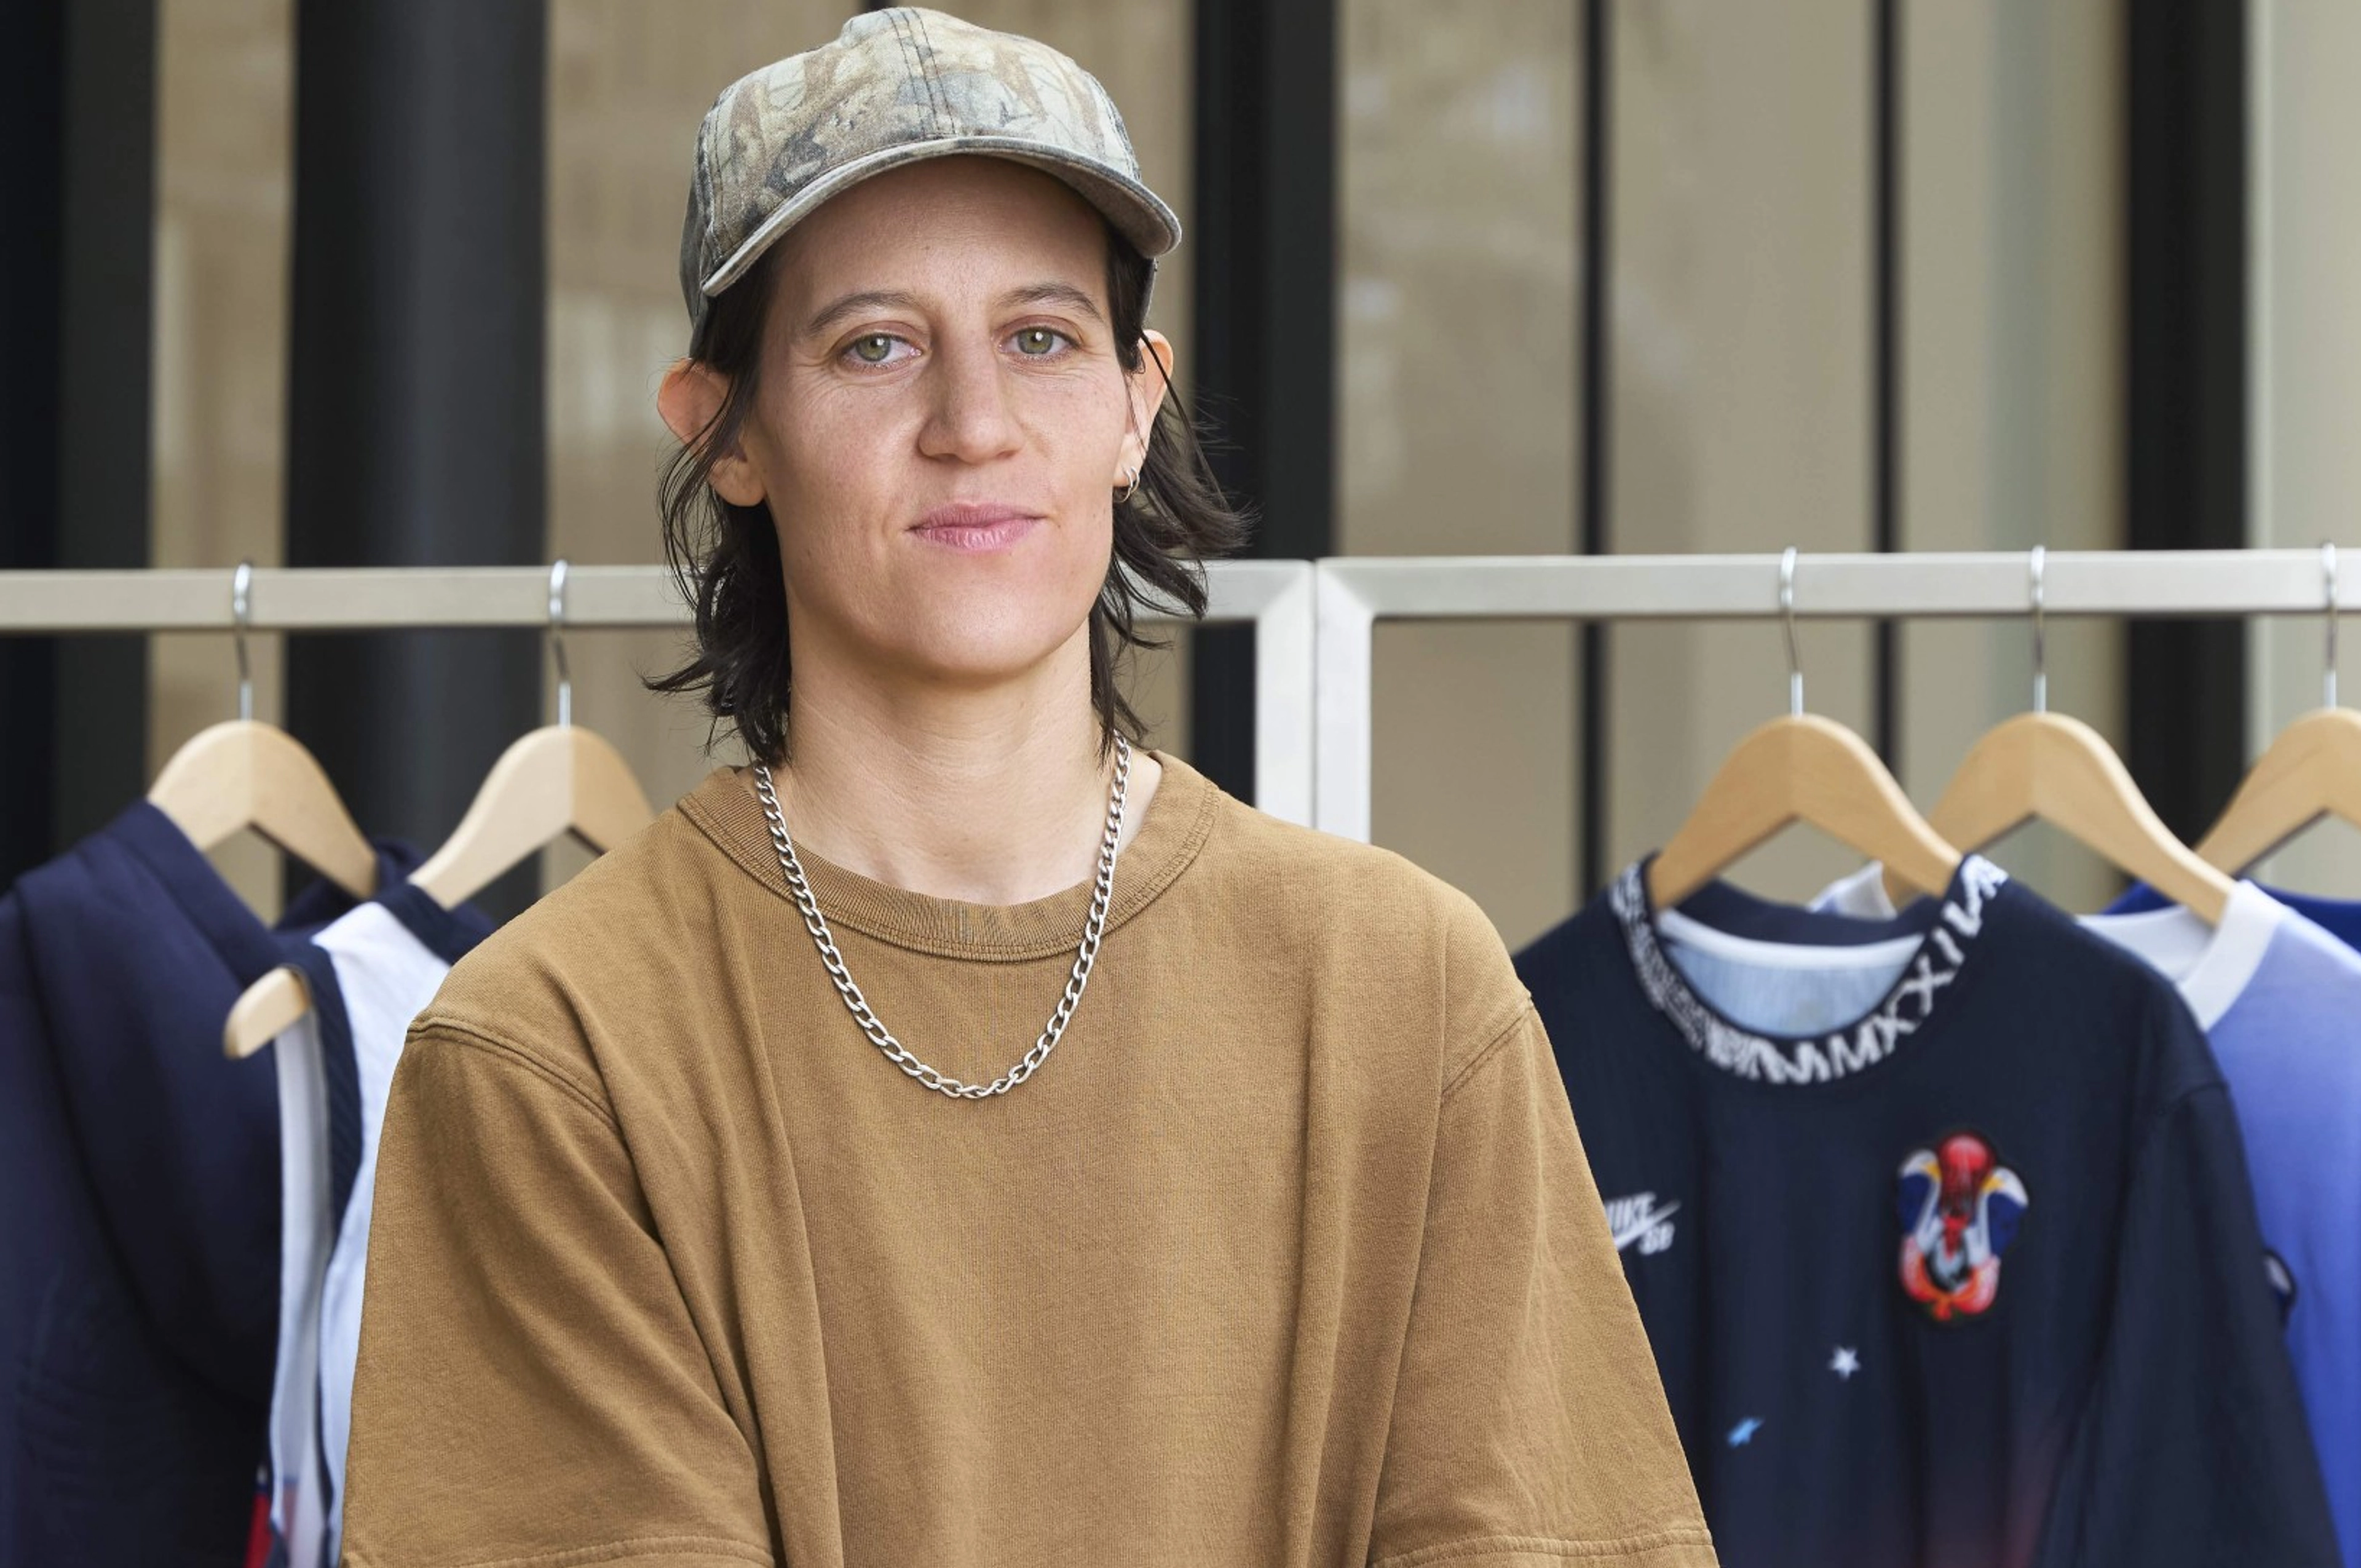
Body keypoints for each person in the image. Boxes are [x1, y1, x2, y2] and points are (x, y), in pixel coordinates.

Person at [339, 11, 1714, 1567]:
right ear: (724, 430)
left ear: (1138, 403)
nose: (973, 426)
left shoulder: (1407, 998)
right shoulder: (555, 1054)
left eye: (1044, 338)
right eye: (875, 344)